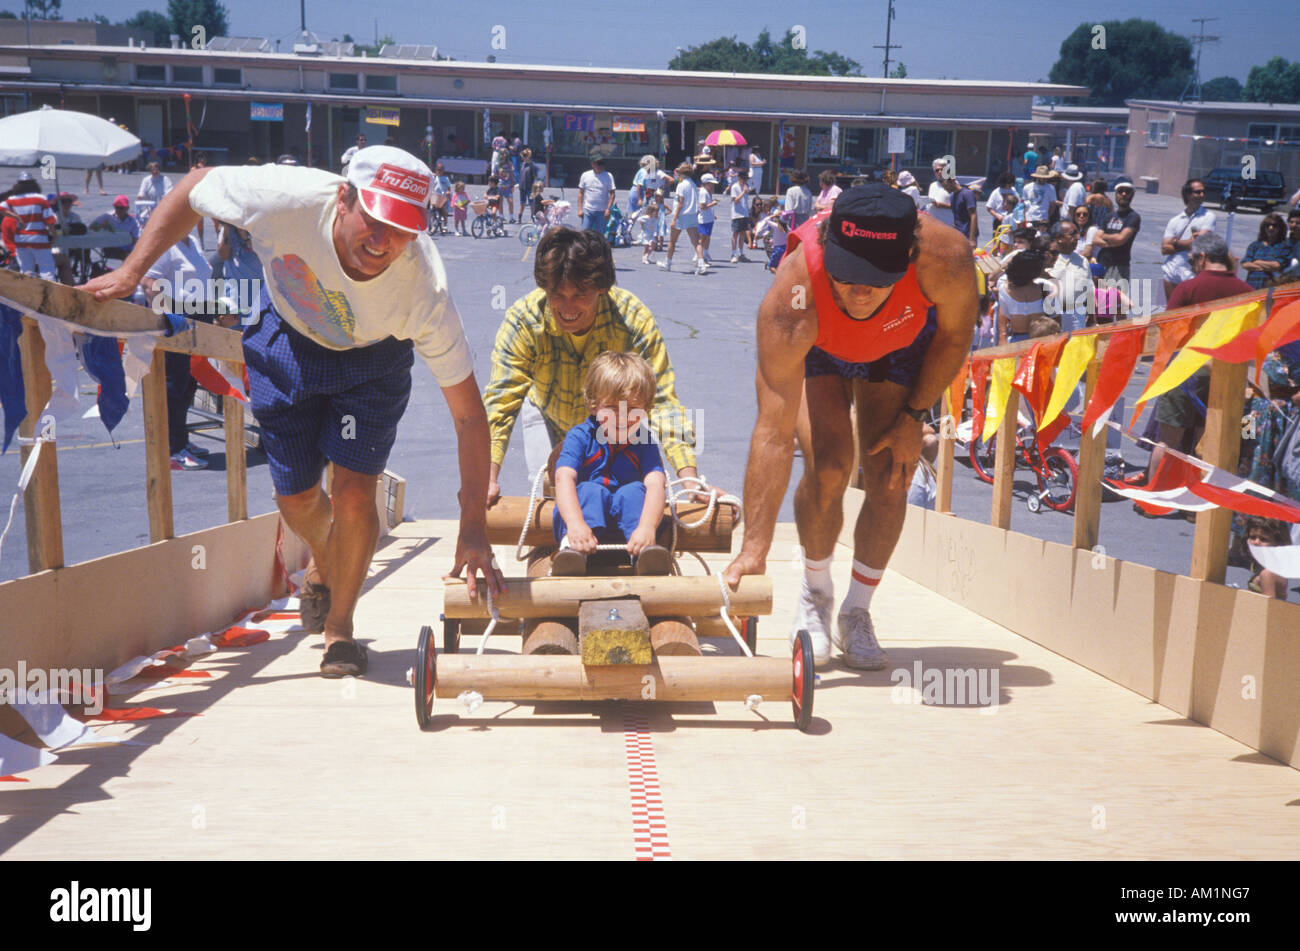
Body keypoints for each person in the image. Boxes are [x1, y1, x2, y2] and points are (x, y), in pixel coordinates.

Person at [83, 145, 501, 678]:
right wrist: (131, 271)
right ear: (343, 198)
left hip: (373, 363)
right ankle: (326, 570)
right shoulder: (286, 199)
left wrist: (472, 529)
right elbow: (196, 184)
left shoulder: (424, 290)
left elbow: (468, 415)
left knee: (353, 495)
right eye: (373, 221)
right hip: (287, 338)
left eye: (401, 230)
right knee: (297, 499)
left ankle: (340, 632)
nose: (382, 242)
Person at [722, 185, 977, 669]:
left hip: (901, 340)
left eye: (876, 278)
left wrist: (914, 416)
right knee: (831, 468)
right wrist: (754, 546)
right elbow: (773, 431)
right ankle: (815, 596)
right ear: (830, 248)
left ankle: (856, 611)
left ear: (910, 256)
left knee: (890, 475)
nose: (860, 291)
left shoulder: (948, 257)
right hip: (820, 338)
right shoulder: (792, 294)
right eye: (848, 275)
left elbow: (955, 335)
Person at [483, 227, 715, 509]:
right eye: (557, 294)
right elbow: (500, 403)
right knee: (553, 496)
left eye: (580, 294)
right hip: (547, 413)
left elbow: (663, 400)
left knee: (620, 496)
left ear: (601, 287)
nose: (567, 307)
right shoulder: (523, 321)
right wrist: (486, 476)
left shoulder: (632, 319)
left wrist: (689, 480)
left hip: (615, 422)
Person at [1137, 232, 1255, 508]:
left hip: (1186, 367)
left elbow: (1168, 330)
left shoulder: (1188, 288)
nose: (1191, 264)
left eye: (1192, 259)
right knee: (1210, 438)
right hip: (1228, 370)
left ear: (1202, 258)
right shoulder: (1248, 291)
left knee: (1167, 440)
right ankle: (1199, 508)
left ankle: (1155, 503)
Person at [551, 351, 672, 577]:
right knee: (590, 490)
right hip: (583, 525)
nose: (622, 417)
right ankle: (573, 554)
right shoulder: (580, 436)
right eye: (613, 408)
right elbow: (563, 477)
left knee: (635, 491)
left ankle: (644, 556)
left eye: (632, 409)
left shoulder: (644, 443)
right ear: (594, 405)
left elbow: (656, 484)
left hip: (629, 531)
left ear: (645, 409)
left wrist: (647, 528)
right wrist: (575, 524)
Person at [141, 232, 233, 471]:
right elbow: (149, 283)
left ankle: (181, 442)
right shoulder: (166, 243)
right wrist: (165, 314)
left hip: (199, 316)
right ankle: (171, 449)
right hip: (178, 317)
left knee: (189, 383)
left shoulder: (192, 241)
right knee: (173, 384)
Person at [1161, 178, 1215, 300]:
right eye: (1198, 192)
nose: (1202, 195)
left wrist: (1174, 243)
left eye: (1203, 192)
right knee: (1172, 313)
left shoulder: (1208, 217)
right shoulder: (1175, 220)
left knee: (1192, 313)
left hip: (1192, 272)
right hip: (1172, 272)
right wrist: (1186, 243)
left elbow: (1198, 243)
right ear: (1188, 194)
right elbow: (1164, 248)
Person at [0, 174, 58, 280]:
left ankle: (26, 293)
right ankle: (49, 294)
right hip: (38, 237)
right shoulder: (40, 199)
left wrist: (16, 216)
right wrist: (54, 235)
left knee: (26, 270)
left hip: (21, 239)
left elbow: (1, 208)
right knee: (47, 270)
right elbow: (49, 220)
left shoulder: (12, 199)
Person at [995, 246, 1052, 344]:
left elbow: (1056, 317)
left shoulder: (1045, 288)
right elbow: (1003, 314)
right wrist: (1002, 337)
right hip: (1017, 340)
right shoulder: (1005, 290)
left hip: (1042, 341)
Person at [659, 162, 706, 275]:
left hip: (681, 215)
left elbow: (680, 203)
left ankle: (668, 263)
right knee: (696, 242)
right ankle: (701, 264)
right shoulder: (693, 184)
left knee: (672, 241)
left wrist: (674, 218)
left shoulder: (681, 185)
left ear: (681, 173)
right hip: (692, 215)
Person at [1093, 180, 1140, 284]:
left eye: (1127, 192)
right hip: (1102, 263)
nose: (1123, 194)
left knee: (1115, 298)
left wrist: (1104, 237)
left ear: (1132, 195)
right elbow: (1095, 239)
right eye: (1120, 191)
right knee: (1099, 298)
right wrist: (1112, 241)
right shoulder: (1109, 216)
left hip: (1120, 265)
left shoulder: (1133, 217)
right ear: (1116, 194)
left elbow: (1121, 239)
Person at [1240, 213, 1292, 289]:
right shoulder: (1255, 245)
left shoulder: (1284, 246)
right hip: (1251, 287)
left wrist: (1257, 262)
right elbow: (1245, 264)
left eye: (1274, 225)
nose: (1270, 228)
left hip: (1270, 288)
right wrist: (1267, 267)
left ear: (1280, 228)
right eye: (1267, 225)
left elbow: (1277, 265)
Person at [89, 194, 141, 263]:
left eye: (121, 208)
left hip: (127, 249)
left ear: (127, 208)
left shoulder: (133, 221)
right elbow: (91, 227)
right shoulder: (107, 216)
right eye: (117, 207)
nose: (118, 210)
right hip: (111, 248)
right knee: (127, 256)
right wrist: (101, 226)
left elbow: (135, 239)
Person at [577, 154, 616, 233]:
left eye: (602, 163)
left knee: (600, 235)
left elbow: (612, 194)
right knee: (585, 233)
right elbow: (581, 193)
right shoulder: (585, 175)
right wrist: (580, 209)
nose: (601, 166)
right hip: (588, 210)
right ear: (592, 164)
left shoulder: (608, 176)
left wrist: (608, 209)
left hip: (602, 211)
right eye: (599, 163)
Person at [944, 174, 978, 247]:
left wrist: (972, 239)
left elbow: (973, 216)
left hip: (967, 235)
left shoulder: (967, 194)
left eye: (946, 186)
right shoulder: (952, 197)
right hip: (957, 234)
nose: (945, 189)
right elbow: (957, 215)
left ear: (952, 181)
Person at [729, 167, 751, 262]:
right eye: (743, 179)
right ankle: (734, 254)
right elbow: (735, 200)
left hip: (744, 214)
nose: (745, 181)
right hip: (737, 214)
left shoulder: (745, 186)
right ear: (739, 178)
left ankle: (741, 253)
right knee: (735, 234)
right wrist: (743, 192)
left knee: (742, 234)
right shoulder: (735, 187)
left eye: (746, 179)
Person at [697, 172, 718, 266]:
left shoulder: (706, 192)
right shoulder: (703, 192)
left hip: (708, 219)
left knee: (705, 239)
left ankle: (704, 257)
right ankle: (700, 259)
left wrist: (713, 214)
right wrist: (713, 204)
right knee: (701, 240)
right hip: (703, 220)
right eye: (711, 183)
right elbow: (702, 206)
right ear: (706, 183)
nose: (712, 185)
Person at [926, 158, 953, 227]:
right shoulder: (932, 185)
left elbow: (958, 207)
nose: (940, 172)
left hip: (947, 224)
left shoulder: (953, 185)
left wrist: (941, 205)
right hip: (933, 224)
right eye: (937, 170)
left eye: (942, 169)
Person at [517, 149, 536, 221]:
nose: (524, 157)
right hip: (522, 186)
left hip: (530, 187)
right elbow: (521, 175)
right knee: (522, 203)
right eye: (523, 156)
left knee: (532, 203)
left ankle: (532, 218)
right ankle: (519, 217)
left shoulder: (532, 165)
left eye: (525, 156)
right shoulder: (522, 164)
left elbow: (534, 177)